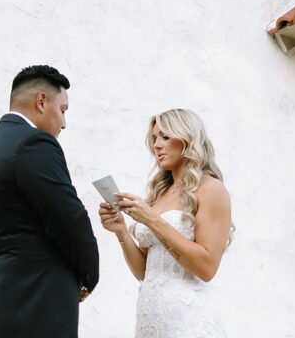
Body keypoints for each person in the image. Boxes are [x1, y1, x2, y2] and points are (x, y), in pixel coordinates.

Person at [0, 64, 99, 338]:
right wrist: (89, 276)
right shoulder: (35, 144)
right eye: (63, 110)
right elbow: (70, 220)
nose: (64, 123)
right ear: (41, 101)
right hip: (27, 309)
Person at [98, 108, 232, 338]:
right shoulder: (160, 194)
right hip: (151, 320)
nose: (157, 145)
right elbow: (144, 272)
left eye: (165, 137)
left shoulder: (211, 188)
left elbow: (207, 268)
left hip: (189, 320)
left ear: (187, 139)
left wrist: (151, 220)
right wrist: (121, 230)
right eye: (154, 138)